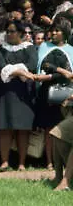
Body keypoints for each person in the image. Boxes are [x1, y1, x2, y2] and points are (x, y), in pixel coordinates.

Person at [0, 20, 38, 172]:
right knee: (5, 127)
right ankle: (4, 161)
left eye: (12, 31)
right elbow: (1, 66)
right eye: (8, 31)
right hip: (5, 92)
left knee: (23, 129)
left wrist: (13, 70)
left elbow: (31, 65)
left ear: (20, 33)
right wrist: (20, 71)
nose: (9, 34)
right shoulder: (0, 49)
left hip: (24, 93)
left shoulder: (30, 48)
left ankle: (21, 163)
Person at [35, 18, 73, 171]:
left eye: (58, 30)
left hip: (67, 94)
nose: (54, 33)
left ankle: (65, 163)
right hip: (47, 93)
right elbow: (44, 65)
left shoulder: (71, 49)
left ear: (65, 33)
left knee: (64, 129)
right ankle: (50, 162)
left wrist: (64, 74)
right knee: (49, 129)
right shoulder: (44, 46)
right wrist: (62, 71)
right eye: (53, 30)